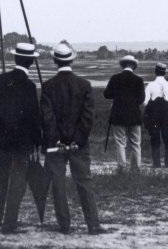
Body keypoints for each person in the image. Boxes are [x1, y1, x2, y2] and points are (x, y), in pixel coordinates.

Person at [40, 42, 104, 235]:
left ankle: (64, 225)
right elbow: (87, 117)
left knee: (58, 184)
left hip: (55, 146)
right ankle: (93, 224)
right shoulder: (84, 85)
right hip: (79, 145)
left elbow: (47, 117)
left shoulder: (48, 86)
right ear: (73, 60)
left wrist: (56, 140)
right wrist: (78, 140)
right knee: (84, 181)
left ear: (54, 61)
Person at [0, 42, 42, 233]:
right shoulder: (29, 86)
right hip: (21, 142)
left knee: (0, 179)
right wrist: (37, 141)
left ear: (16, 58)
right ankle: (9, 224)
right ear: (31, 62)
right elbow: (33, 116)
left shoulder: (1, 79)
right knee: (17, 182)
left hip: (2, 139)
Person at [103, 54, 145, 171]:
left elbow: (106, 94)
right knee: (136, 143)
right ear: (133, 65)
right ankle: (136, 167)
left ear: (123, 65)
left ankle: (121, 167)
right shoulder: (139, 80)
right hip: (134, 115)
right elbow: (141, 100)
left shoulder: (115, 78)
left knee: (120, 142)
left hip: (118, 114)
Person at [143, 62, 168, 168]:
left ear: (155, 72)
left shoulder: (150, 85)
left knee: (155, 137)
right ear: (165, 73)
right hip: (166, 112)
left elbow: (145, 102)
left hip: (154, 113)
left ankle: (156, 163)